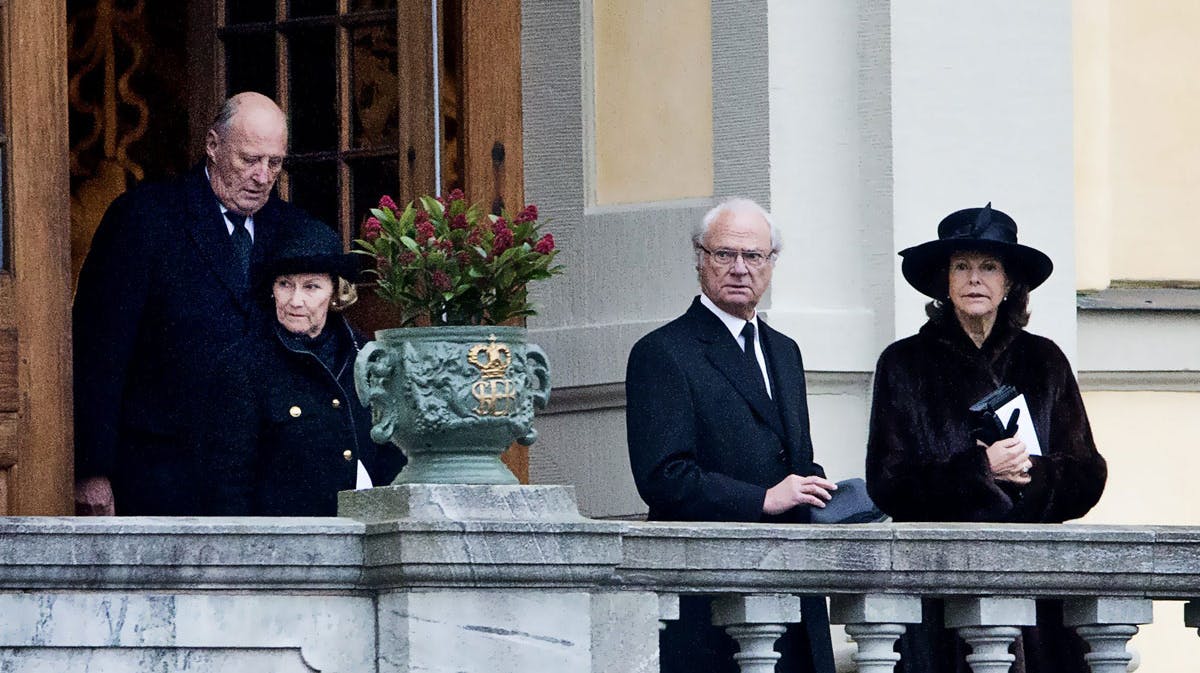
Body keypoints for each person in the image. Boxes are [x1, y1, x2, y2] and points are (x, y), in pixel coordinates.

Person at [865, 203, 1108, 673]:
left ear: (1010, 282)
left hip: (1036, 589)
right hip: (939, 585)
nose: (975, 279)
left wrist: (1030, 473)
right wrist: (980, 471)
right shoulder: (903, 363)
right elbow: (887, 483)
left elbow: (1087, 474)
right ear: (945, 281)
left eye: (989, 267)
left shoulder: (1045, 361)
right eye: (962, 266)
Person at [625, 198, 836, 673]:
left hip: (793, 592)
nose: (740, 268)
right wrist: (763, 498)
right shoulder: (662, 352)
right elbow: (663, 477)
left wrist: (821, 491)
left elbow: (791, 457)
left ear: (771, 263)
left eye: (753, 255)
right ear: (699, 259)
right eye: (725, 254)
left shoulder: (785, 351)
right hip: (711, 602)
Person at [73, 92, 306, 515]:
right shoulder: (145, 218)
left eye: (275, 163)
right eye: (249, 160)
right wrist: (93, 469)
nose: (262, 176)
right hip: (161, 472)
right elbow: (100, 349)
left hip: (262, 479)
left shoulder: (294, 230)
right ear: (213, 145)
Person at [205, 219, 405, 516]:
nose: (295, 301)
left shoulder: (369, 358)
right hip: (283, 538)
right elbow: (229, 487)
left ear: (336, 292)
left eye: (311, 286)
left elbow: (394, 462)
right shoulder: (243, 366)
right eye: (285, 284)